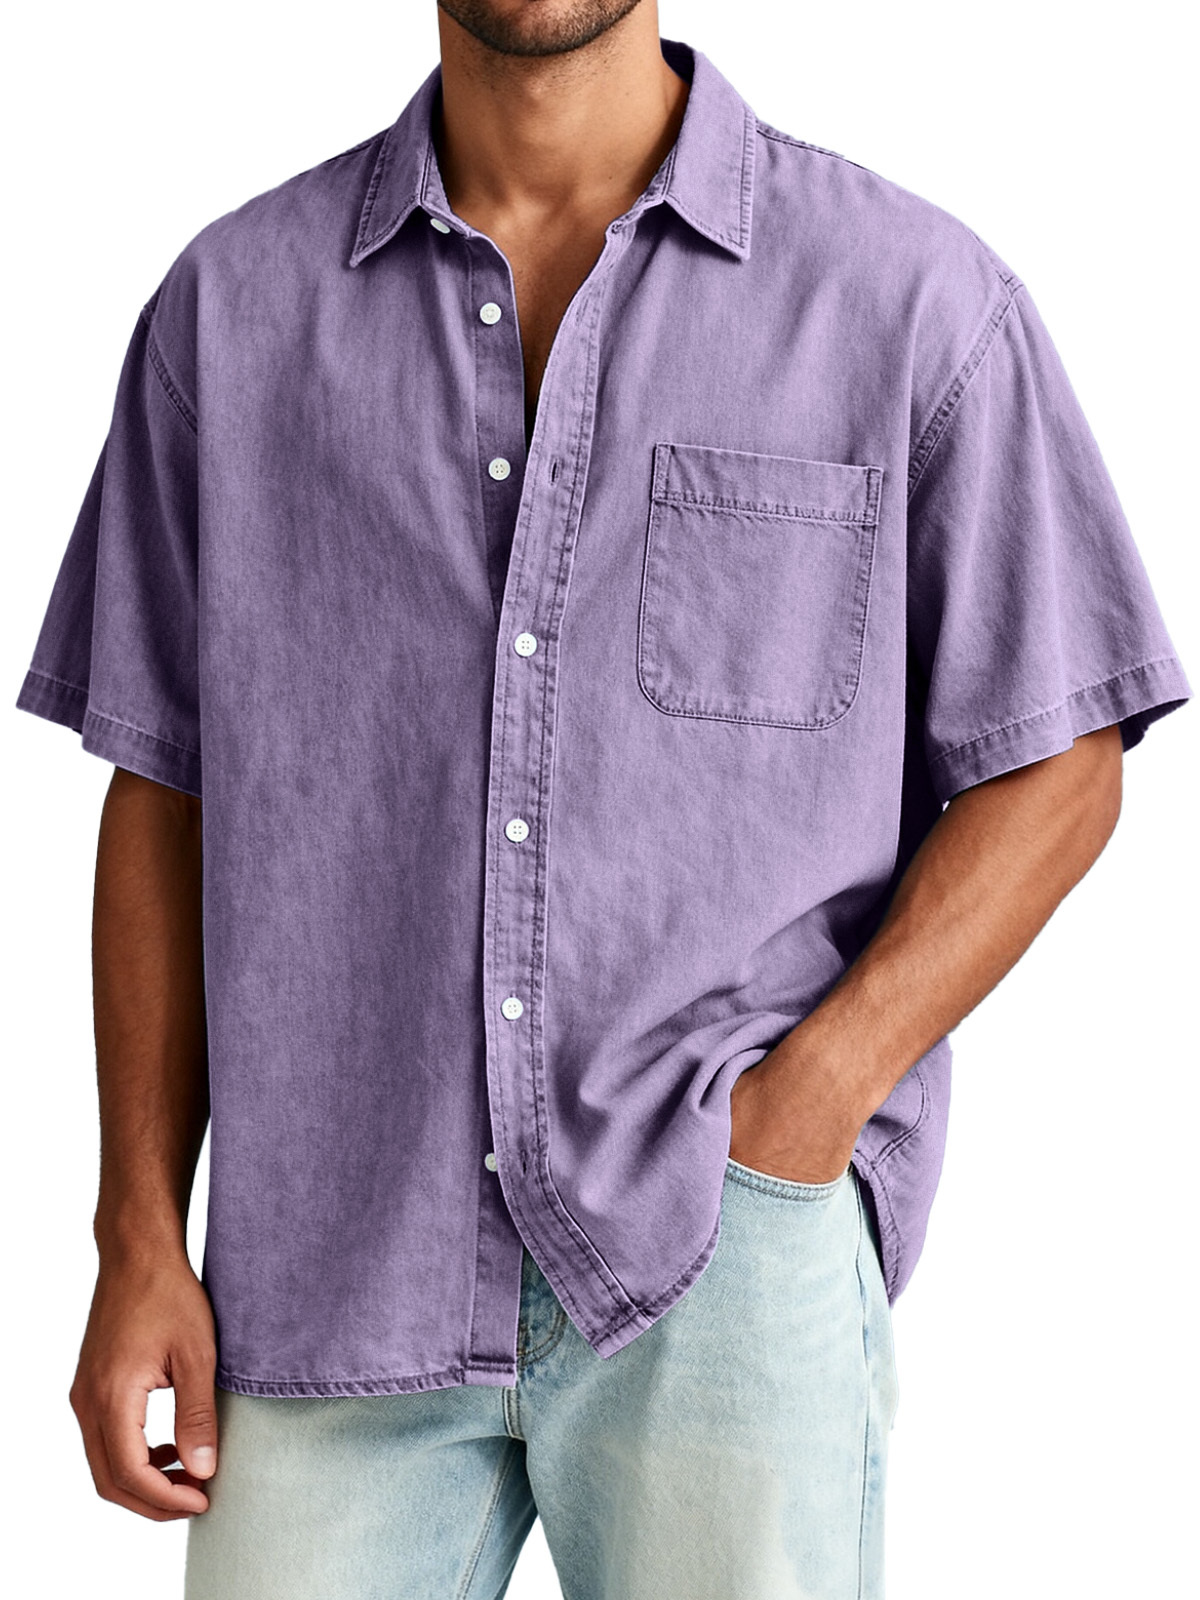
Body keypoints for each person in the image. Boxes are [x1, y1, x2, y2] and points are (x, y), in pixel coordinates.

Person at [13, 2, 1192, 1596]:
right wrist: (137, 1233)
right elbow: (165, 786)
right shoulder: (232, 313)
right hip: (328, 1262)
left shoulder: (907, 300)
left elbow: (1059, 760)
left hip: (722, 1252)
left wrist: (807, 1108)